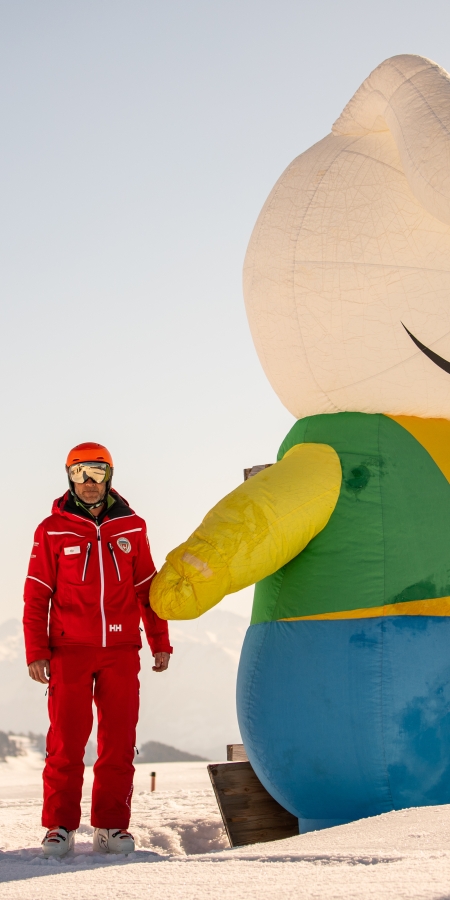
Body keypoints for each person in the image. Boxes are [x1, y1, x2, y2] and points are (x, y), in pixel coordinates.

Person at [23, 442, 172, 858]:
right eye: (80, 473)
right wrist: (37, 649)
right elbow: (36, 595)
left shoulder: (133, 527)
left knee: (119, 742)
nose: (89, 483)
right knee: (66, 742)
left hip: (121, 649)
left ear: (110, 475)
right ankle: (59, 828)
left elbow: (147, 589)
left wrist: (159, 639)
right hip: (69, 650)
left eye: (97, 472)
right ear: (68, 477)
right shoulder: (51, 529)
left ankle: (110, 827)